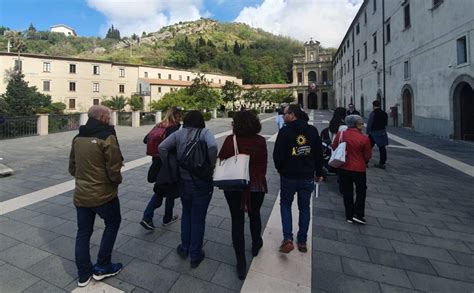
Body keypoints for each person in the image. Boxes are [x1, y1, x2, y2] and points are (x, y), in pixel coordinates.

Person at [68, 105, 123, 287]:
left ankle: (83, 274)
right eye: (108, 116)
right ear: (101, 117)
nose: (110, 119)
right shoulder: (107, 137)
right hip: (103, 195)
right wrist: (116, 182)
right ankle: (103, 265)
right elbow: (114, 168)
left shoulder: (78, 137)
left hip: (81, 195)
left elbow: (72, 168)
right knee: (113, 223)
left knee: (83, 232)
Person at [159, 110, 217, 268]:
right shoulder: (205, 132)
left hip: (184, 181)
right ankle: (195, 254)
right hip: (202, 182)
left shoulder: (178, 134)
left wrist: (172, 165)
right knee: (198, 218)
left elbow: (162, 147)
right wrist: (210, 165)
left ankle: (185, 247)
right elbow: (212, 147)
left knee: (187, 213)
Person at [218, 111, 267, 280]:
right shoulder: (260, 141)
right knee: (255, 216)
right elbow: (263, 164)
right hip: (256, 185)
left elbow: (221, 159)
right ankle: (255, 244)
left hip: (233, 186)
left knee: (237, 221)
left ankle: (241, 263)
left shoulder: (230, 140)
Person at [273, 104, 324, 253]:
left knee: (285, 205)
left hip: (288, 176)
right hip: (307, 176)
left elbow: (277, 155)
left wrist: (281, 169)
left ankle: (288, 238)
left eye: (286, 113)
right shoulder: (313, 131)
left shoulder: (285, 131)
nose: (283, 115)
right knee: (304, 208)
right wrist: (319, 172)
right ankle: (302, 241)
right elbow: (318, 155)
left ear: (293, 115)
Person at [140, 107, 183, 230]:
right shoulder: (174, 128)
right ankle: (147, 217)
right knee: (165, 190)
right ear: (177, 116)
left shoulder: (159, 125)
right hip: (168, 163)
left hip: (157, 162)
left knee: (166, 188)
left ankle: (166, 217)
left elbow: (145, 140)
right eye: (180, 116)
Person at [332, 115, 371, 224]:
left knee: (347, 192)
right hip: (359, 169)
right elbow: (367, 156)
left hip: (343, 167)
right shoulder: (364, 138)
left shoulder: (341, 134)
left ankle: (349, 215)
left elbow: (334, 147)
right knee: (361, 191)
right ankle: (359, 214)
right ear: (357, 124)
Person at [367, 100, 388, 169]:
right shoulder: (384, 113)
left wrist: (368, 132)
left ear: (373, 106)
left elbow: (369, 123)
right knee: (382, 148)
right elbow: (386, 123)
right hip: (382, 132)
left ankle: (365, 162)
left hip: (373, 133)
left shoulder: (373, 113)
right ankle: (382, 163)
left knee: (368, 147)